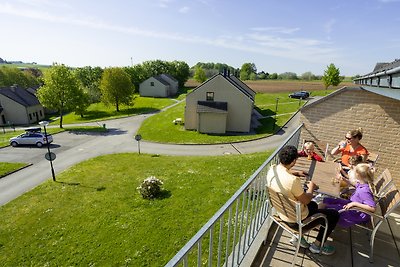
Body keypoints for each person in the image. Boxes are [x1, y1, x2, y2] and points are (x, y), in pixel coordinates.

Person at [266, 145, 339, 255]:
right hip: (295, 221)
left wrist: (295, 172)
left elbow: (283, 174)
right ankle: (317, 246)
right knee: (333, 215)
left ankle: (298, 239)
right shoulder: (293, 181)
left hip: (282, 212)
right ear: (294, 161)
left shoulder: (273, 169)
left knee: (314, 205)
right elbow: (306, 201)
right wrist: (311, 188)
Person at [322, 163, 376, 228]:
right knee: (329, 200)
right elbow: (354, 185)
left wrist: (355, 204)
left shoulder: (364, 191)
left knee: (327, 207)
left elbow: (372, 208)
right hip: (351, 205)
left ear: (358, 175)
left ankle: (320, 222)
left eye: (355, 171)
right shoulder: (363, 183)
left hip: (354, 213)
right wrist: (344, 179)